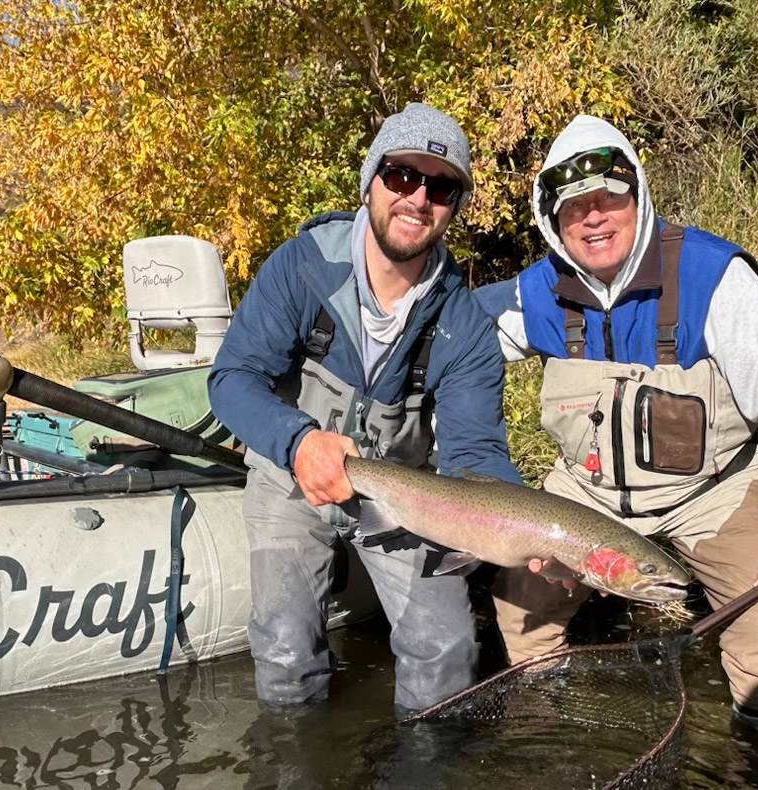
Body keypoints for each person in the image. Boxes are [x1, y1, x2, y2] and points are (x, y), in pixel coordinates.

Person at [476, 114, 758, 730]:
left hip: (710, 493)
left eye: (609, 199)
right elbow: (454, 338)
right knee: (518, 605)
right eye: (575, 206)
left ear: (637, 197)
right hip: (587, 495)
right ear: (552, 220)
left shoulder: (711, 275)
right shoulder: (537, 293)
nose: (593, 217)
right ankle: (548, 727)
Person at [208, 102, 522, 713]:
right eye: (402, 176)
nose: (418, 198)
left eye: (440, 186)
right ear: (371, 180)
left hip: (400, 493)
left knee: (446, 648)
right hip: (289, 477)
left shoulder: (465, 326)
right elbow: (232, 379)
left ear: (455, 206)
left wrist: (520, 532)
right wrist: (298, 441)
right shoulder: (301, 268)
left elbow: (475, 455)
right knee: (284, 646)